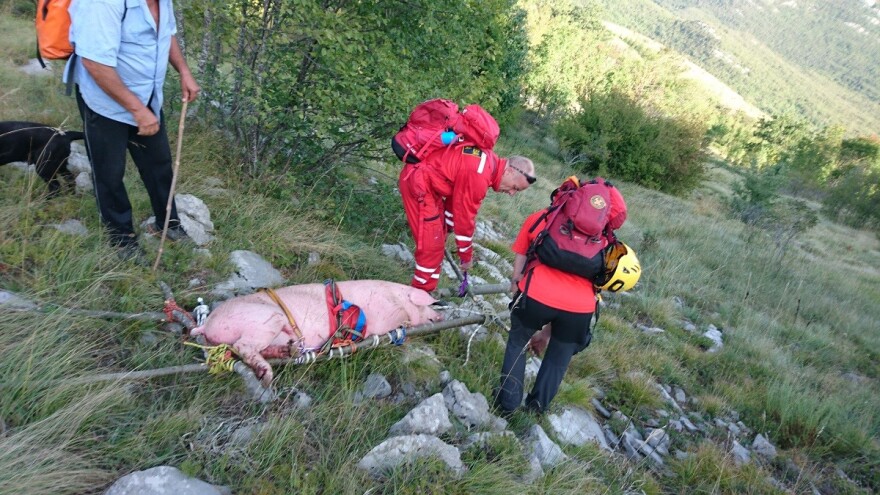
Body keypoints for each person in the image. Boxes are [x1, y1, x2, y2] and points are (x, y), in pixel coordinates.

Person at [65, 0, 200, 261]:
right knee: (110, 173)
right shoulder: (102, 3)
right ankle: (121, 238)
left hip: (147, 98)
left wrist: (184, 71)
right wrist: (137, 111)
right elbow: (94, 63)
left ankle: (168, 224)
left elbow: (166, 33)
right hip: (104, 105)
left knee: (159, 165)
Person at [494, 179, 627, 415]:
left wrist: (516, 282)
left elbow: (522, 252)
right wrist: (547, 334)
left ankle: (507, 403)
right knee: (559, 356)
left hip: (536, 295)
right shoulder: (606, 239)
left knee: (518, 341)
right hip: (580, 310)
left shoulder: (544, 217)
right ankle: (536, 408)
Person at [398, 143, 536, 292]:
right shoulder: (480, 175)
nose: (512, 193)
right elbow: (464, 220)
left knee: (438, 241)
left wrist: (448, 228)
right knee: (432, 248)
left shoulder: (487, 163)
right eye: (515, 187)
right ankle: (417, 299)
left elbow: (454, 202)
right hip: (419, 185)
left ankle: (426, 294)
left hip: (429, 187)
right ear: (509, 171)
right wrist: (466, 256)